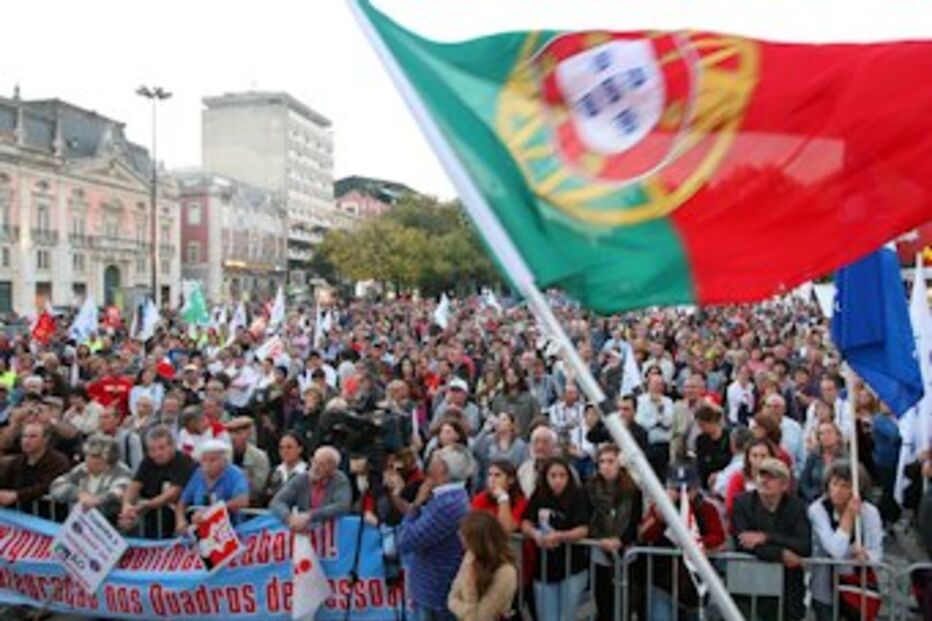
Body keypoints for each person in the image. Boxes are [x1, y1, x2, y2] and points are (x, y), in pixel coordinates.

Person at [638, 462, 727, 621]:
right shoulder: (659, 508)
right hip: (663, 582)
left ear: (696, 488)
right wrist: (660, 515)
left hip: (695, 583)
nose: (682, 494)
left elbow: (719, 538)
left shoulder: (707, 508)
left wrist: (693, 543)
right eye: (677, 489)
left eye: (688, 489)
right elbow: (645, 535)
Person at [398, 444, 473, 621]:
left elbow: (405, 541)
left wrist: (416, 505)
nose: (430, 460)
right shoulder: (446, 497)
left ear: (443, 468)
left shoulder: (448, 504)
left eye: (436, 458)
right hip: (430, 590)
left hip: (435, 594)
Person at [732, 457, 812, 621]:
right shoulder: (742, 502)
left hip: (788, 586)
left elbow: (804, 545)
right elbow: (742, 542)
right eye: (762, 475)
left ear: (784, 485)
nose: (765, 480)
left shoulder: (797, 506)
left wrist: (766, 537)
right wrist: (780, 553)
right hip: (751, 583)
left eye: (772, 477)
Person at [808, 460, 883, 621]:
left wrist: (867, 556)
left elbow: (876, 552)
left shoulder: (869, 512)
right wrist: (848, 516)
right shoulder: (818, 509)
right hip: (825, 587)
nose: (838, 491)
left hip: (855, 588)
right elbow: (836, 550)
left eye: (845, 486)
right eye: (834, 484)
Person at [521, 457, 590, 621]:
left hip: (572, 566)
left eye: (562, 475)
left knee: (566, 616)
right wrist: (535, 534)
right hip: (544, 567)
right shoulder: (539, 494)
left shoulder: (578, 496)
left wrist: (560, 536)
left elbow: (583, 529)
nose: (557, 480)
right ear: (545, 477)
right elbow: (525, 522)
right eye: (553, 476)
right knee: (547, 616)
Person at [587, 445, 642, 621]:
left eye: (610, 461)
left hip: (625, 552)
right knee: (603, 602)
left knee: (625, 603)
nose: (606, 466)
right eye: (602, 462)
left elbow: (634, 522)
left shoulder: (633, 491)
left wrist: (620, 540)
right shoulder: (590, 488)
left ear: (620, 463)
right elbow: (588, 518)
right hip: (600, 549)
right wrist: (600, 539)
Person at [119, 425, 196, 538]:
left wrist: (148, 504)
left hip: (176, 517)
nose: (157, 454)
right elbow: (134, 485)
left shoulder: (183, 461)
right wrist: (126, 505)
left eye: (162, 448)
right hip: (152, 519)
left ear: (172, 446)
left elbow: (174, 492)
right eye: (152, 450)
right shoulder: (147, 461)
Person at [447, 511, 518, 621]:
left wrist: (470, 590)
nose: (460, 538)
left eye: (464, 536)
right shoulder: (470, 556)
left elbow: (479, 618)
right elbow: (452, 599)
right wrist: (467, 612)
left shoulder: (506, 572)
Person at [50, 433, 132, 520]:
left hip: (111, 521)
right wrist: (78, 493)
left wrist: (98, 500)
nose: (88, 459)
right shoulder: (82, 469)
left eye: (95, 456)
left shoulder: (121, 471)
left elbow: (119, 492)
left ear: (108, 459)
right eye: (87, 455)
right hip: (82, 521)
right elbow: (56, 486)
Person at [175, 439, 250, 534]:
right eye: (204, 460)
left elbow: (242, 500)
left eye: (212, 460)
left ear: (224, 460)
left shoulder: (235, 474)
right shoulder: (198, 474)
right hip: (201, 530)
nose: (207, 464)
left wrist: (210, 512)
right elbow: (182, 502)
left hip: (232, 529)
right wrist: (180, 520)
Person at [269, 445, 351, 528]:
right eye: (315, 462)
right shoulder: (301, 478)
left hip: (329, 532)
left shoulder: (339, 480)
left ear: (333, 469)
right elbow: (277, 502)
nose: (316, 468)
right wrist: (289, 518)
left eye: (322, 465)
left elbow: (342, 506)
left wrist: (310, 516)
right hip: (301, 529)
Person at [0, 422, 70, 516]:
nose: (26, 441)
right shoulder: (17, 462)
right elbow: (5, 481)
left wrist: (17, 495)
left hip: (47, 516)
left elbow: (48, 486)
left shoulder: (58, 461)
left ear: (45, 439)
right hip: (18, 514)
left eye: (33, 437)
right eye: (24, 436)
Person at [471, 459, 527, 533]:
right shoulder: (482, 497)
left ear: (511, 480)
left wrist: (503, 499)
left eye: (497, 475)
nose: (492, 480)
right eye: (490, 475)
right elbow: (472, 525)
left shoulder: (520, 501)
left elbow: (507, 528)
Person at [724, 438, 777, 518]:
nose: (759, 460)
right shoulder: (738, 478)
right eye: (754, 456)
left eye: (763, 456)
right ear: (748, 458)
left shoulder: (778, 478)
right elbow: (730, 506)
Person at [635, 374, 674, 478]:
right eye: (655, 384)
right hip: (646, 444)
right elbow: (640, 421)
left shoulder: (668, 401)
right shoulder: (640, 401)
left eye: (660, 384)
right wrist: (657, 420)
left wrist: (658, 408)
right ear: (648, 385)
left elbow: (668, 422)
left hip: (664, 445)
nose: (657, 387)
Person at [226, 416, 270, 506]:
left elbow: (258, 487)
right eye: (231, 433)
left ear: (247, 435)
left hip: (251, 503)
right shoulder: (224, 455)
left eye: (238, 433)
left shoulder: (259, 457)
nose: (233, 437)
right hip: (226, 501)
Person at [800, 421, 847, 502]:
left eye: (829, 432)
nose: (825, 436)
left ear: (838, 436)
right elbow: (804, 482)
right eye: (821, 433)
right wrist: (811, 496)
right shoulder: (813, 456)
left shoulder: (846, 457)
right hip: (814, 499)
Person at [694, 403, 731, 490]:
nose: (701, 429)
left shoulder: (728, 437)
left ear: (712, 421)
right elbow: (700, 463)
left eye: (703, 425)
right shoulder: (701, 439)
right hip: (706, 481)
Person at [265, 430, 308, 502]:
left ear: (300, 449)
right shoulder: (274, 471)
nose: (285, 451)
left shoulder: (308, 472)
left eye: (289, 447)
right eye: (281, 448)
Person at [517, 425, 559, 498]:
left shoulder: (564, 470)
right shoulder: (523, 470)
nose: (540, 447)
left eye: (545, 442)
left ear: (554, 446)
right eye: (536, 442)